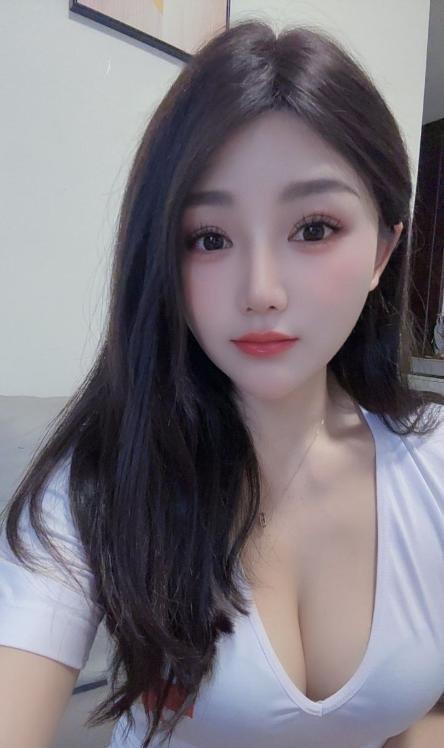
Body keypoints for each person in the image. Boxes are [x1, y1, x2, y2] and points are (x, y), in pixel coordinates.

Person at [0, 19, 443, 748]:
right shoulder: (99, 480)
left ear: (382, 252)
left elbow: (421, 710)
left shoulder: (432, 467)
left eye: (314, 228)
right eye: (209, 238)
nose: (261, 290)